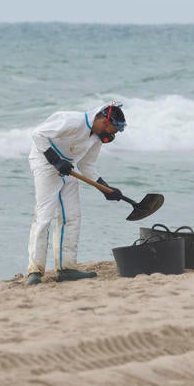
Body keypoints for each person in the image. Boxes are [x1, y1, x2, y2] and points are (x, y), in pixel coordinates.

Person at [25, 104, 126, 284]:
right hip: (45, 164)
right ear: (104, 122)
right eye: (114, 129)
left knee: (71, 217)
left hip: (68, 167)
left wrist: (104, 188)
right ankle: (35, 271)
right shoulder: (71, 120)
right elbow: (38, 135)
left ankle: (66, 269)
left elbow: (87, 165)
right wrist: (55, 160)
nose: (114, 134)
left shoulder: (96, 138)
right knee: (44, 216)